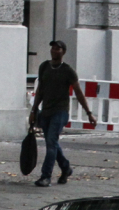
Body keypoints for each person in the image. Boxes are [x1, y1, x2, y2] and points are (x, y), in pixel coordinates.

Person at [28, 40, 97, 188]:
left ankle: (46, 176)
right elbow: (40, 89)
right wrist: (34, 110)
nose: (54, 50)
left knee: (51, 143)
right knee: (52, 143)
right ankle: (66, 168)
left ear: (63, 52)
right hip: (46, 111)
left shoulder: (68, 71)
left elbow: (78, 92)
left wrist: (89, 113)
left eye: (58, 48)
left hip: (60, 112)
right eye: (53, 48)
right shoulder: (44, 67)